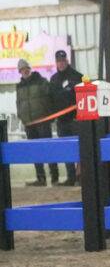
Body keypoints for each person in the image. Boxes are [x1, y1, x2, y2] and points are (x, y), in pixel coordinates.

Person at [15, 59, 58, 187]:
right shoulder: (19, 86)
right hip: (29, 124)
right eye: (22, 69)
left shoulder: (41, 81)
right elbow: (19, 103)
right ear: (20, 72)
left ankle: (55, 177)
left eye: (26, 68)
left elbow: (51, 98)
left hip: (43, 122)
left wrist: (49, 116)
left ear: (30, 69)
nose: (25, 71)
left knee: (48, 149)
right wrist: (22, 117)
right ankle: (40, 178)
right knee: (35, 151)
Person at [49, 49, 83, 186]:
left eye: (63, 61)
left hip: (76, 120)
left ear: (67, 61)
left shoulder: (77, 77)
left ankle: (81, 177)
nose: (61, 63)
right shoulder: (53, 79)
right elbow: (51, 100)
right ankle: (71, 178)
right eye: (59, 61)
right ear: (56, 63)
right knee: (66, 150)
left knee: (80, 149)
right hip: (61, 121)